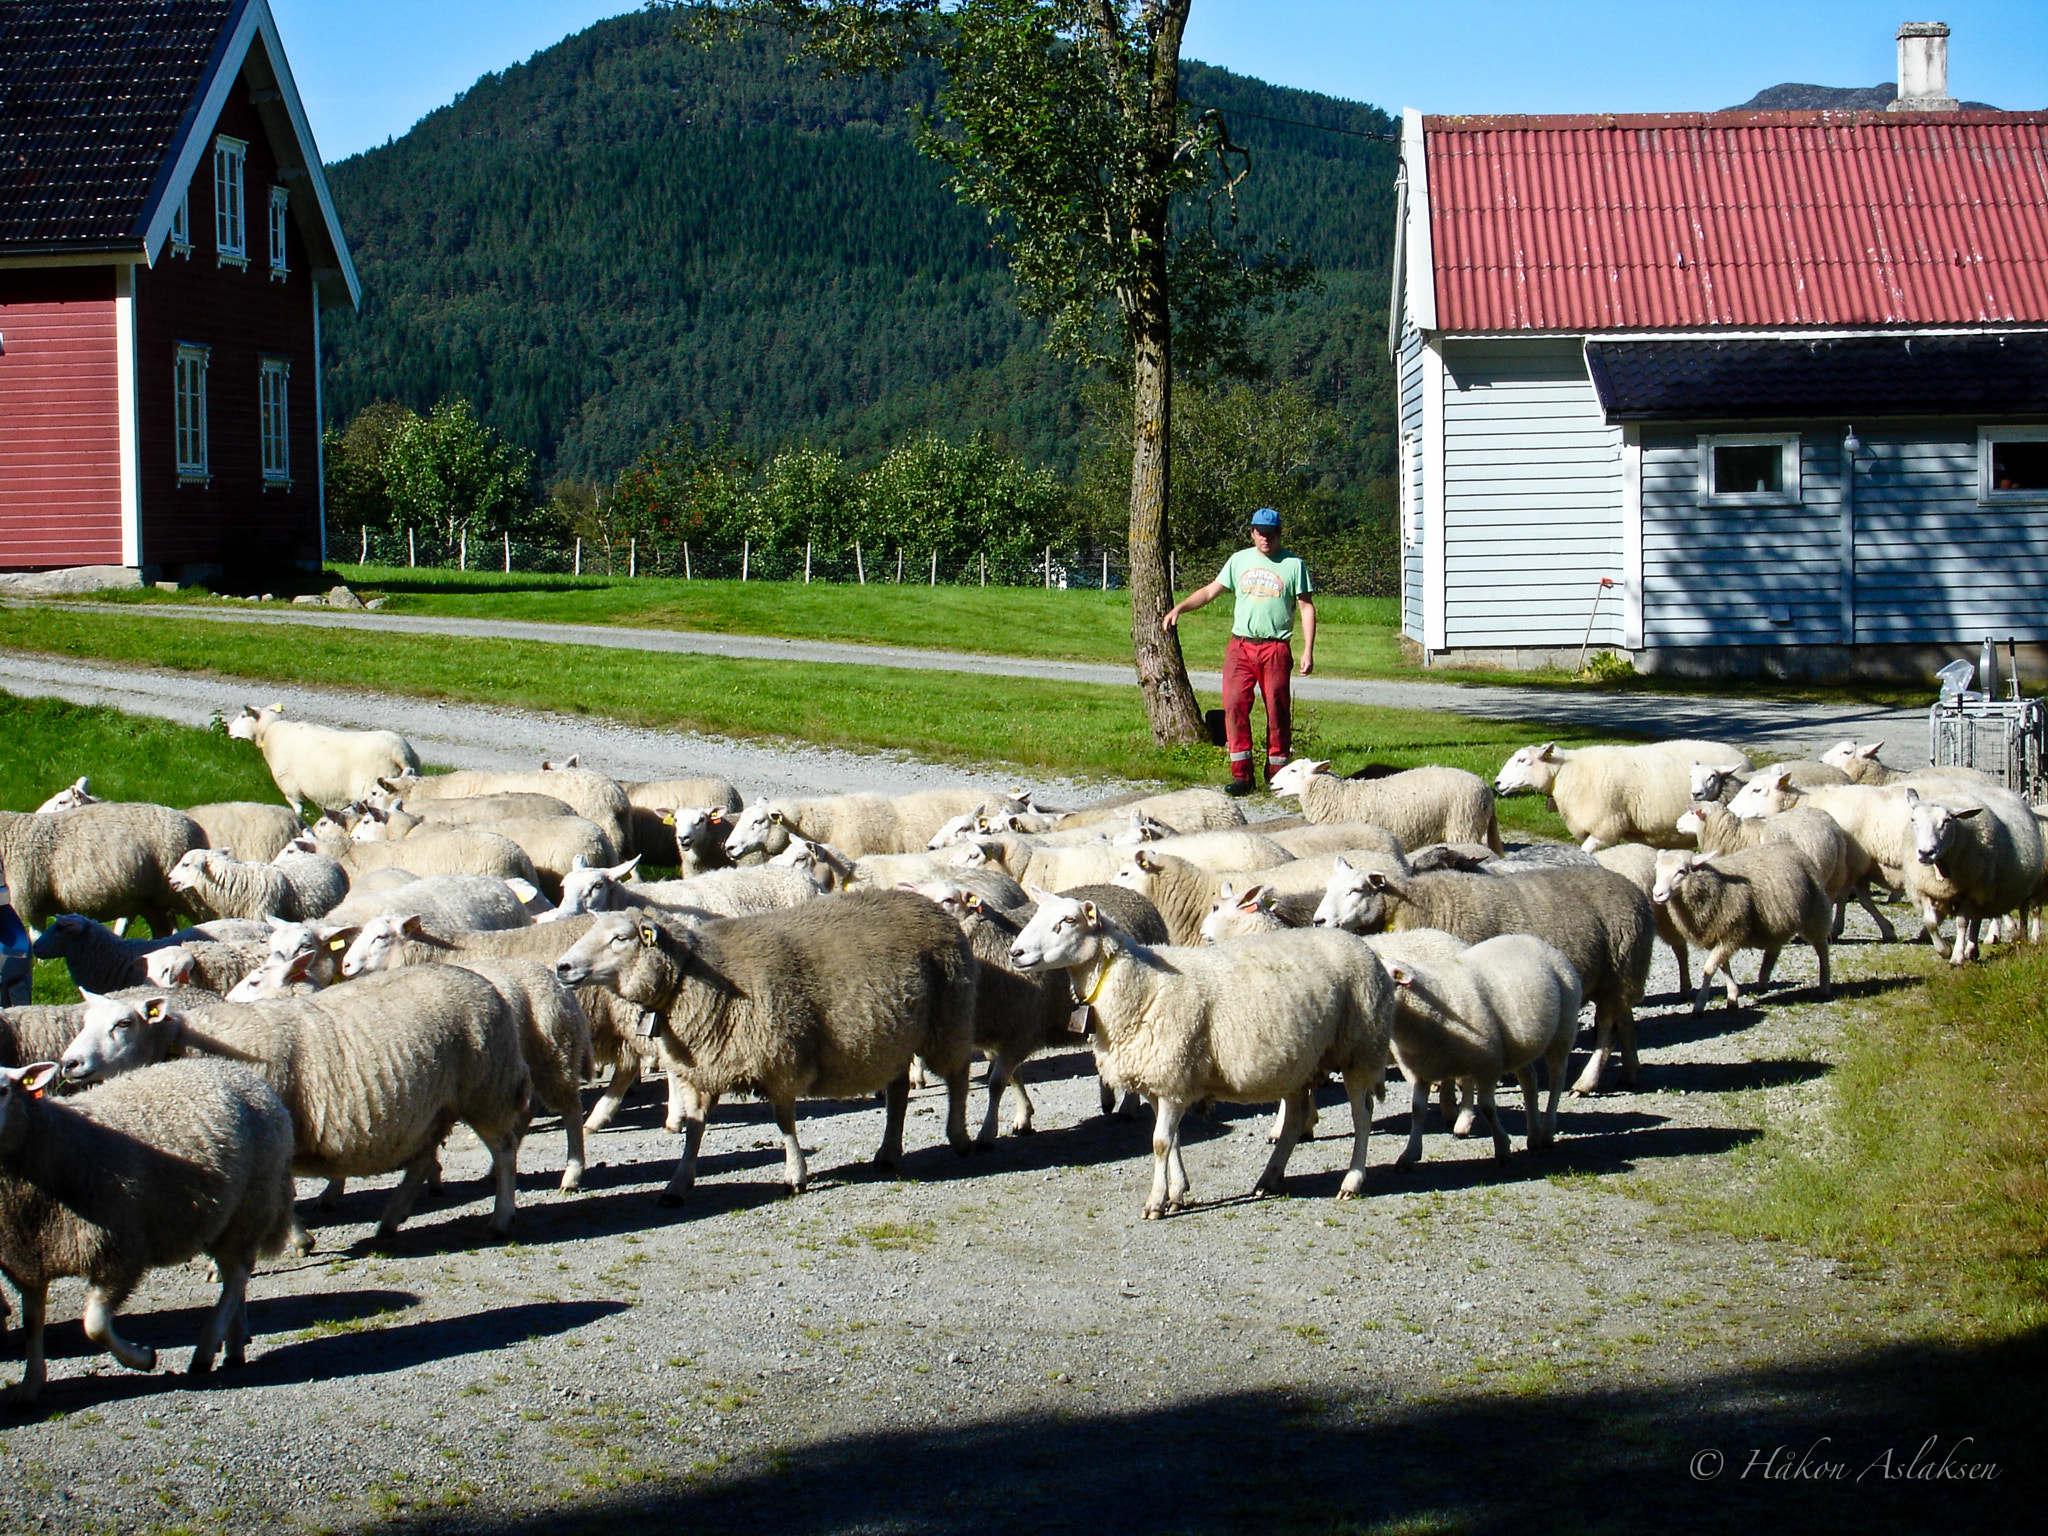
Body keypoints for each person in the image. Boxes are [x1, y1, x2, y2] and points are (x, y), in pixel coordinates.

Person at [1162, 507, 1315, 796]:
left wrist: (1308, 649)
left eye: (1270, 533)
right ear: (1252, 533)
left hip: (1276, 647)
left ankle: (1277, 776)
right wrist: (1179, 608)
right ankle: (1242, 776)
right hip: (1241, 646)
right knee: (1234, 706)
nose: (1265, 538)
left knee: (1277, 711)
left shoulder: (1294, 565)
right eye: (1259, 532)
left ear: (1279, 533)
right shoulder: (1239, 560)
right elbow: (1210, 591)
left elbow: (1306, 607)